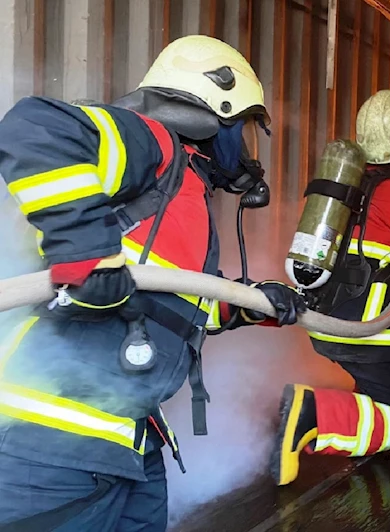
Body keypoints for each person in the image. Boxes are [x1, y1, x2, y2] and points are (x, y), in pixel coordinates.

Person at [0, 35, 306, 531]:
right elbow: (35, 127)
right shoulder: (155, 146)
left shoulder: (182, 197)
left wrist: (248, 305)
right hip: (51, 443)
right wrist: (85, 252)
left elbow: (167, 297)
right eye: (241, 127)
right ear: (214, 116)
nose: (244, 149)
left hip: (131, 442)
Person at [269, 89, 390, 486]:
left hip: (323, 320)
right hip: (369, 333)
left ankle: (335, 418)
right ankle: (311, 414)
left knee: (376, 398)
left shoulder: (342, 189)